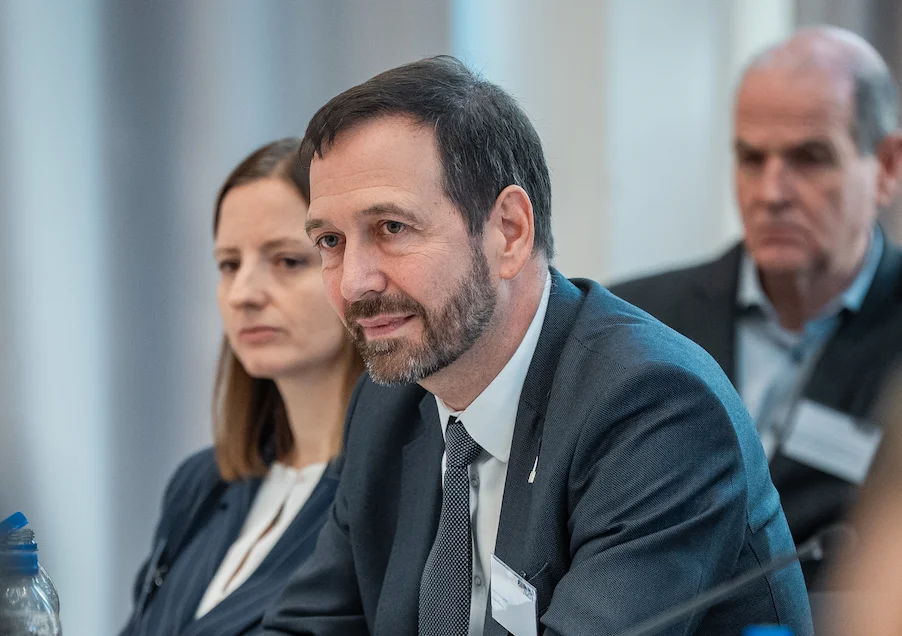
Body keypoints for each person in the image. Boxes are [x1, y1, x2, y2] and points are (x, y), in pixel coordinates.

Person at [261, 56, 812, 636]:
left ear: (509, 231)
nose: (354, 283)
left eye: (392, 229)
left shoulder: (653, 409)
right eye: (330, 241)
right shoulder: (389, 406)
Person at [610, 27, 902, 588]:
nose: (771, 193)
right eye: (751, 158)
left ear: (887, 166)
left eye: (809, 159)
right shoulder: (635, 321)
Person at [119, 139, 364, 636]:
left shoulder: (396, 492)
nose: (244, 294)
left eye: (288, 261)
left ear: (355, 271)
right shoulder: (201, 483)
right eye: (229, 264)